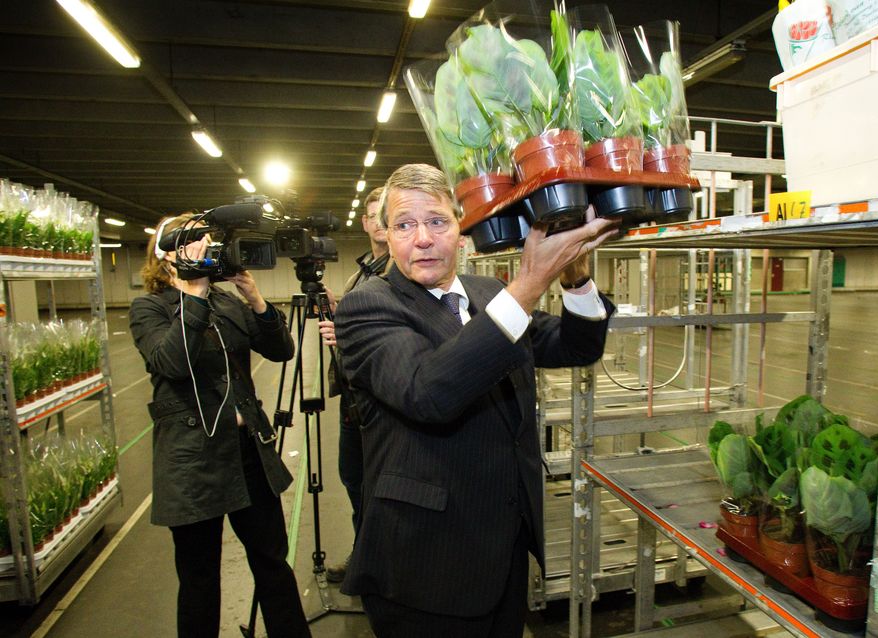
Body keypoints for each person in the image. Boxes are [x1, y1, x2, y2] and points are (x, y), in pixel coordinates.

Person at [335, 164, 618, 636]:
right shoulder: (369, 306)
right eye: (405, 224)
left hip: (503, 547)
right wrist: (529, 282)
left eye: (438, 222)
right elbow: (429, 392)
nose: (422, 238)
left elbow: (576, 346)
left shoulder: (488, 294)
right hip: (426, 566)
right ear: (386, 234)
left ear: (462, 231)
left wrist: (575, 277)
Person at [129, 213, 310, 638]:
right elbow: (171, 362)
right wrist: (193, 294)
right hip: (193, 461)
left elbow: (281, 350)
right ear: (166, 255)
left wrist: (255, 298)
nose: (203, 246)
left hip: (247, 451)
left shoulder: (227, 303)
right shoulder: (149, 309)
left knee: (271, 562)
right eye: (190, 241)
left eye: (206, 239)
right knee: (199, 577)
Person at [317, 186, 389, 583]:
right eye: (375, 215)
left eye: (388, 213)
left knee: (381, 485)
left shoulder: (401, 268)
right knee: (354, 479)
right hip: (353, 398)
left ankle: (381, 563)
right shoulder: (360, 272)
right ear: (365, 222)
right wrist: (337, 304)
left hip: (380, 398)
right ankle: (365, 555)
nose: (381, 222)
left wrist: (346, 330)